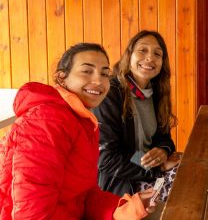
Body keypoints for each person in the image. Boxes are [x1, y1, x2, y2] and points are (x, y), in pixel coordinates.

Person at [0, 43, 156, 219]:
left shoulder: (82, 121)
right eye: (87, 71)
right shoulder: (46, 120)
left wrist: (126, 210)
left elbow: (84, 195)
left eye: (104, 73)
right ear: (61, 77)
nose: (98, 81)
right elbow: (31, 211)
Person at [93, 31, 180, 202]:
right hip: (122, 182)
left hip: (148, 170)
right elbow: (106, 159)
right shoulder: (112, 92)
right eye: (142, 50)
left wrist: (163, 151)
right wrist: (159, 167)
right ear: (129, 56)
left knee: (195, 167)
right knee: (186, 186)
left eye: (157, 54)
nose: (150, 58)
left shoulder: (156, 93)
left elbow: (164, 138)